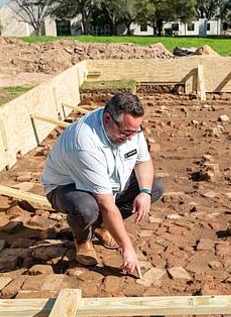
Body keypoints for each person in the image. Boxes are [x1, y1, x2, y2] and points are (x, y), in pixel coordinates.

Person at [41, 92, 164, 277]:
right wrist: (127, 248)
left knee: (155, 188)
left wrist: (145, 192)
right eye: (126, 132)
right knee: (87, 208)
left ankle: (100, 226)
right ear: (108, 119)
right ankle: (83, 240)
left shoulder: (129, 127)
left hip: (110, 181)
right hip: (65, 186)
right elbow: (106, 204)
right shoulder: (85, 142)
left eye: (135, 132)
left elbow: (143, 161)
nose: (131, 138)